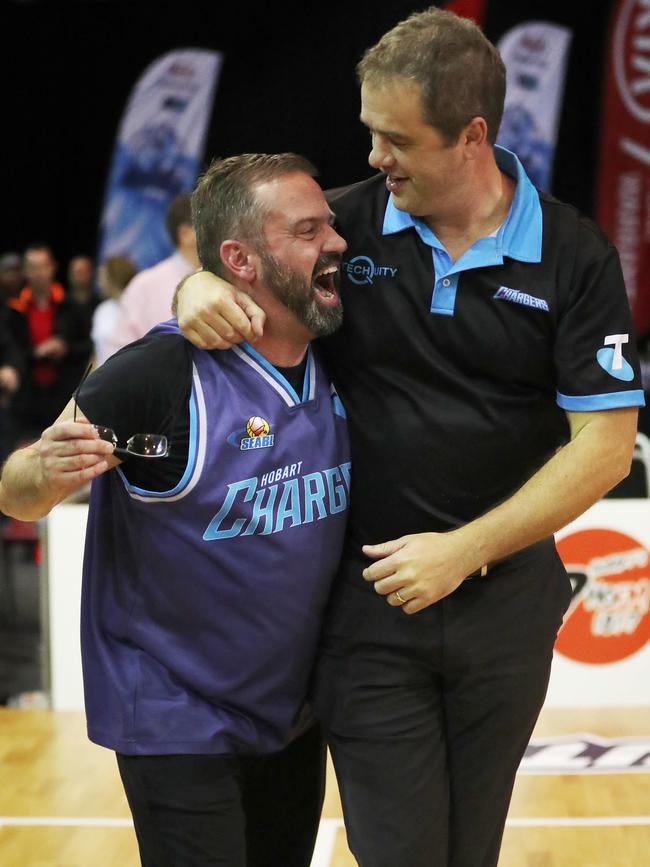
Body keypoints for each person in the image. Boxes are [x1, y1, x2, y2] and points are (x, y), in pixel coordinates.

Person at [172, 8, 645, 867]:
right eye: (369, 133)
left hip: (506, 606)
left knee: (471, 852)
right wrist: (191, 291)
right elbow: (238, 266)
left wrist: (463, 551)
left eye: (394, 138)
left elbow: (605, 448)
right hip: (366, 606)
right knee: (400, 852)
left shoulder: (574, 255)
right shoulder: (343, 227)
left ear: (471, 136)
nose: (373, 157)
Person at [0, 153, 350, 867]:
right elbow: (16, 486)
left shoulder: (342, 355)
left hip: (290, 709)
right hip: (175, 715)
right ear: (241, 259)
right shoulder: (156, 374)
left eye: (331, 225)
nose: (336, 243)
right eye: (309, 229)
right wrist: (44, 467)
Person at [8, 244, 93, 442]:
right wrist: (35, 353)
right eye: (33, 267)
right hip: (26, 398)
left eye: (43, 266)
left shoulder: (70, 305)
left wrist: (65, 348)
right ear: (26, 271)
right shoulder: (13, 309)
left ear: (52, 267)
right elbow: (10, 348)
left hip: (64, 396)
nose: (39, 273)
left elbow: (87, 345)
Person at [105, 193, 199, 357]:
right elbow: (118, 355)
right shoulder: (145, 286)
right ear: (185, 234)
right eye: (210, 225)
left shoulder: (230, 279)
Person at [91, 254, 138, 365]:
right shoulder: (102, 310)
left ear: (114, 277)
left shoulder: (138, 307)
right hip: (102, 378)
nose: (99, 283)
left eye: (101, 276)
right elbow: (96, 352)